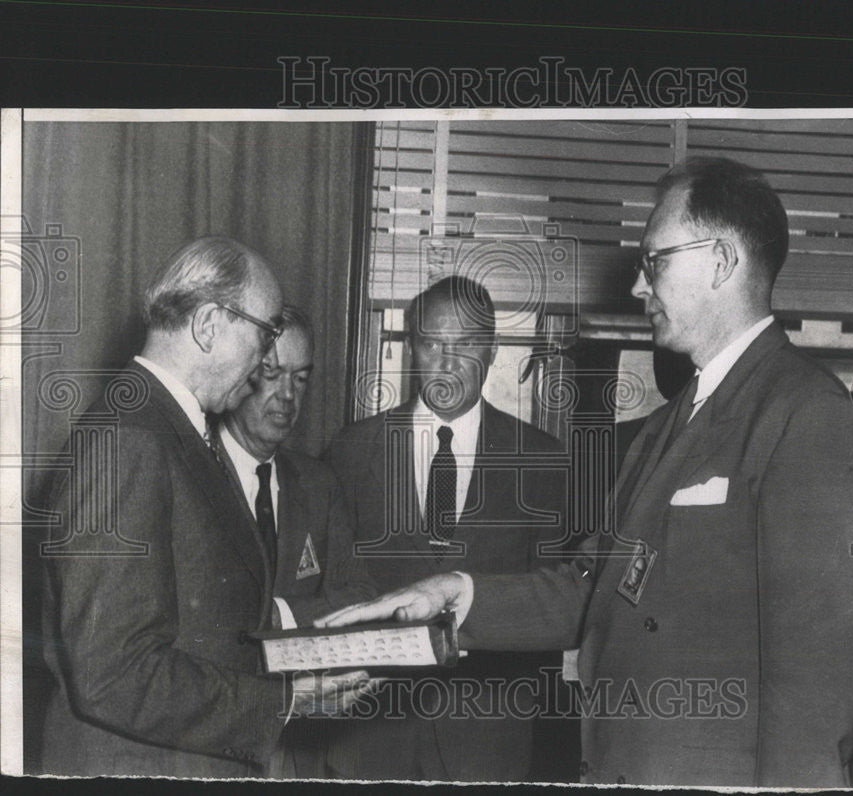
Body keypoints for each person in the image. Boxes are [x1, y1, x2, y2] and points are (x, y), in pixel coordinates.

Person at [319, 159, 853, 788]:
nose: (641, 288)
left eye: (656, 262)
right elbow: (593, 583)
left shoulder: (804, 417)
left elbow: (821, 680)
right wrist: (460, 591)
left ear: (722, 262)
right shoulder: (664, 428)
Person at [40, 236, 369, 777]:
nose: (266, 361)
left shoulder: (171, 429)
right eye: (264, 336)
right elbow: (114, 673)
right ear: (211, 324)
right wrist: (285, 702)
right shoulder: (130, 438)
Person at [323, 276, 569, 782]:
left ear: (493, 348)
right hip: (370, 738)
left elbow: (552, 606)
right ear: (411, 345)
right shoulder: (351, 451)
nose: (447, 362)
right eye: (433, 343)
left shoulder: (542, 462)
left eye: (466, 345)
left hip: (489, 742)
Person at [217, 304, 378, 777]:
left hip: (296, 745)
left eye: (301, 378)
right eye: (272, 373)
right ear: (241, 371)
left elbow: (362, 598)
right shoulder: (193, 473)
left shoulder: (317, 482)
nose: (288, 395)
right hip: (212, 736)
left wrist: (280, 615)